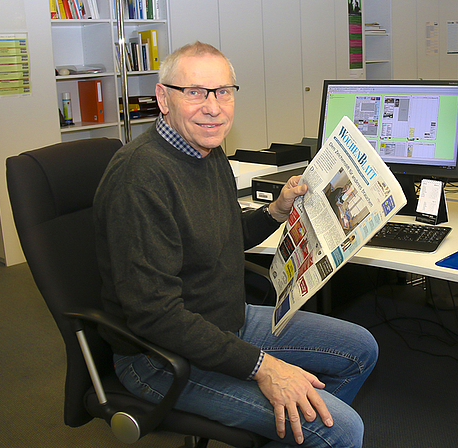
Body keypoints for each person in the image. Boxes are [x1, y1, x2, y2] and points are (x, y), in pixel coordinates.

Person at [93, 41, 378, 447]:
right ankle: (306, 428)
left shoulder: (206, 151)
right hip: (159, 357)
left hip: (225, 319)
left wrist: (276, 212)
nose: (213, 107)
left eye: (223, 91)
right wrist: (264, 368)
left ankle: (293, 428)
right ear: (163, 98)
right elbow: (155, 315)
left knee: (360, 349)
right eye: (194, 92)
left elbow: (221, 236)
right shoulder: (140, 177)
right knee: (343, 430)